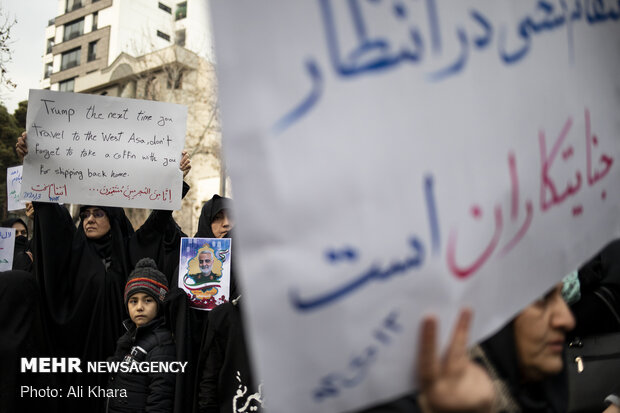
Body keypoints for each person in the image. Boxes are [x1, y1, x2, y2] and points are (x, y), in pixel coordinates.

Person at [16, 131, 190, 411]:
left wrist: (174, 178)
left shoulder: (130, 250)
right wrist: (32, 161)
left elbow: (158, 220)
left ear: (114, 217)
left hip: (125, 366)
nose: (89, 220)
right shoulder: (73, 251)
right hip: (78, 366)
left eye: (98, 213)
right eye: (85, 214)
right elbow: (52, 215)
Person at [106, 258, 176, 412]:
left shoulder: (161, 345)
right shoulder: (130, 339)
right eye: (133, 301)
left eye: (148, 300)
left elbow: (160, 400)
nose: (139, 307)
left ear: (160, 303)